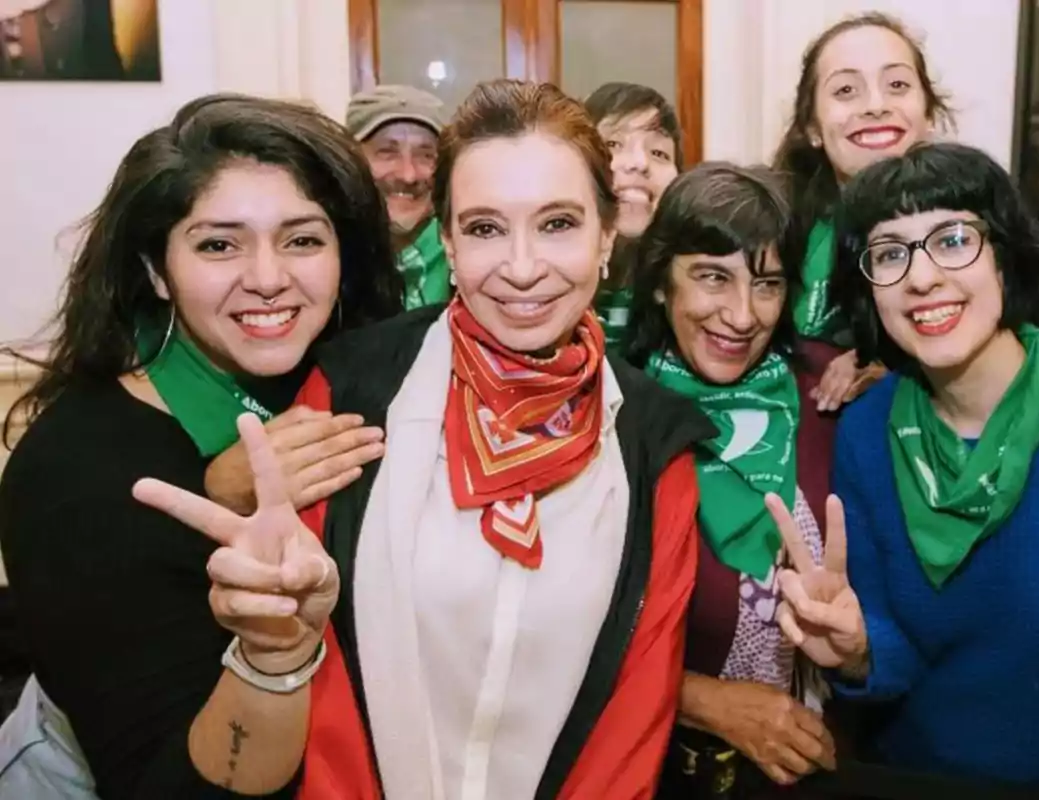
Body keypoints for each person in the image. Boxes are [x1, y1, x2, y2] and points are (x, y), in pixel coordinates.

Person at [131, 79, 715, 799]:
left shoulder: (655, 442)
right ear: (446, 240)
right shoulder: (355, 388)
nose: (522, 267)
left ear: (606, 236)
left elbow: (635, 714)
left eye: (558, 224)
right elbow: (328, 694)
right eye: (484, 228)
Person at [0, 94, 404, 798]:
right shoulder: (73, 468)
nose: (269, 277)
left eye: (303, 239)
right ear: (158, 270)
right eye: (219, 244)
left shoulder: (364, 388)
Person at [779, 142, 1039, 798]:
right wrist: (858, 650)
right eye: (890, 254)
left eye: (952, 240)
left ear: (1004, 255)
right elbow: (902, 649)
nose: (921, 278)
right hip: (912, 777)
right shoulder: (867, 429)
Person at [773, 12, 1039, 420]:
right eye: (846, 90)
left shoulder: (989, 224)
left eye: (897, 84)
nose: (876, 105)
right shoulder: (779, 234)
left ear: (928, 112)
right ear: (812, 125)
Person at [623, 162, 841, 798]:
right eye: (713, 277)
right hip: (665, 776)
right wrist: (707, 702)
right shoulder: (617, 414)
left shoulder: (830, 392)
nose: (742, 315)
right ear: (662, 281)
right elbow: (564, 633)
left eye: (767, 284)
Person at [584, 82, 683, 349]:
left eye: (659, 153)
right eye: (613, 144)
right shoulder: (545, 279)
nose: (640, 163)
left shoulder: (685, 286)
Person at [347, 84, 451, 310]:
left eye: (426, 155)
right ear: (350, 159)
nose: (408, 175)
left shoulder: (463, 253)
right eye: (387, 152)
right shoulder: (330, 255)